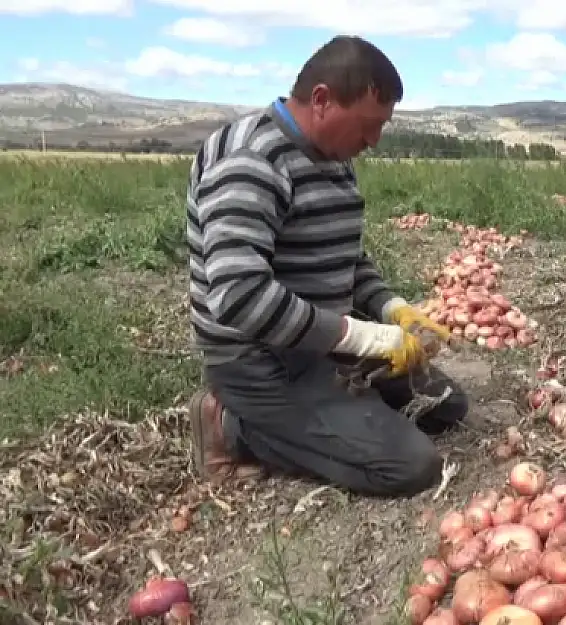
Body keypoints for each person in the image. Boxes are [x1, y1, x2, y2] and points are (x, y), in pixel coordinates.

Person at [184, 35, 468, 497]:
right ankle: (231, 423)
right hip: (260, 360)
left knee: (446, 406)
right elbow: (238, 295)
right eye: (369, 125)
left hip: (319, 345)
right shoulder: (251, 160)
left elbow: (345, 259)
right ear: (322, 100)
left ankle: (336, 406)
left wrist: (392, 308)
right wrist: (365, 337)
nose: (373, 141)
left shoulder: (333, 157)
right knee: (411, 466)